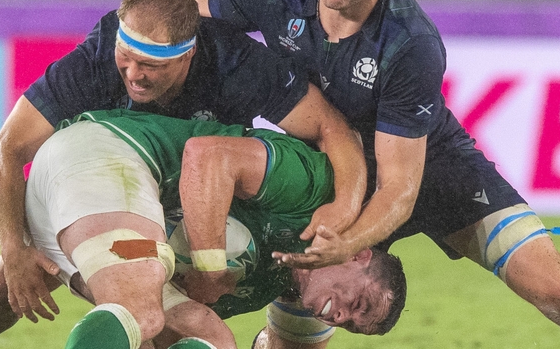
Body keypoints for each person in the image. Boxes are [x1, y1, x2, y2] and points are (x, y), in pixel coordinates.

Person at [197, 0, 560, 347]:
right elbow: (190, 20)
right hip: (331, 175)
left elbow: (400, 188)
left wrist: (348, 245)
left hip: (436, 174)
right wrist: (156, 7)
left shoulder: (410, 43)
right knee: (296, 341)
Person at [0, 0, 367, 349]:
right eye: (126, 58)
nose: (133, 75)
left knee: (185, 328)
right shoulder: (96, 59)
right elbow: (5, 151)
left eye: (151, 66)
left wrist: (344, 207)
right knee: (17, 284)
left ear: (188, 54)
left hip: (169, 196)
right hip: (96, 177)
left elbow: (332, 129)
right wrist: (13, 249)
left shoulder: (236, 64)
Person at [23, 109, 405, 347]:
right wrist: (210, 267)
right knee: (143, 312)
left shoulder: (277, 285)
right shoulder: (313, 189)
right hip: (100, 158)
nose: (340, 318)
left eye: (351, 326)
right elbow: (206, 155)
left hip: (72, 235)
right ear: (359, 254)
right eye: (359, 304)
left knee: (211, 340)